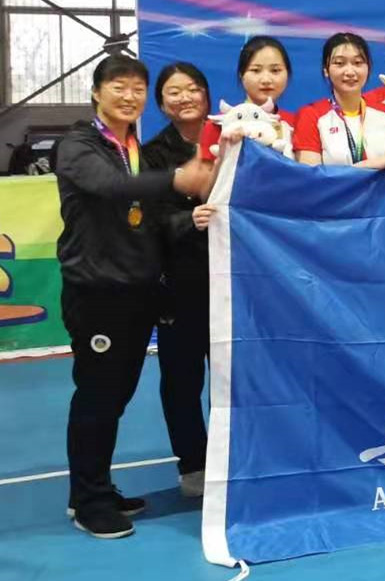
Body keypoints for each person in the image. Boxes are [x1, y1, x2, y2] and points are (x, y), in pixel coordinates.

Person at [55, 55, 210, 539]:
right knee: (98, 395)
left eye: (137, 88)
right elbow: (111, 186)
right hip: (97, 292)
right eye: (118, 87)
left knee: (116, 395)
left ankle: (97, 487)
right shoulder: (79, 144)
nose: (129, 96)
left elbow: (149, 216)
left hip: (138, 293)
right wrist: (178, 179)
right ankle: (88, 501)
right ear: (96, 92)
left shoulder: (132, 147)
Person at [142, 63, 215, 499]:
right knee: (181, 381)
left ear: (206, 95)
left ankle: (234, 457)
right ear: (162, 103)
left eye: (192, 89)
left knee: (234, 378)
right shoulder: (151, 155)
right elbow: (146, 220)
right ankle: (193, 464)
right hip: (180, 284)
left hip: (234, 281)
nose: (185, 97)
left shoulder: (232, 139)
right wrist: (189, 219)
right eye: (174, 92)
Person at [294, 33, 385, 170]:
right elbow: (311, 176)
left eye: (357, 63)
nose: (350, 71)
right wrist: (369, 165)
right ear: (326, 70)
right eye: (339, 63)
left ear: (368, 68)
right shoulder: (311, 115)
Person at [199, 36, 295, 171]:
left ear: (287, 74)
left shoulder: (295, 124)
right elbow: (206, 182)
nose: (266, 80)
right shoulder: (218, 125)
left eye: (275, 70)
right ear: (241, 75)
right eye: (256, 70)